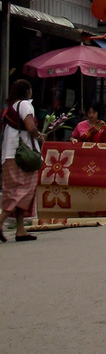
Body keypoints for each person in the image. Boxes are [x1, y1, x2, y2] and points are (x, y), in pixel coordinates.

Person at [1, 79, 42, 242]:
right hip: (22, 157)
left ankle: (20, 230)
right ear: (27, 91)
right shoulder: (25, 105)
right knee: (25, 190)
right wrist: (40, 136)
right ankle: (0, 221)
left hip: (8, 155)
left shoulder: (9, 107)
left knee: (14, 190)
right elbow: (31, 128)